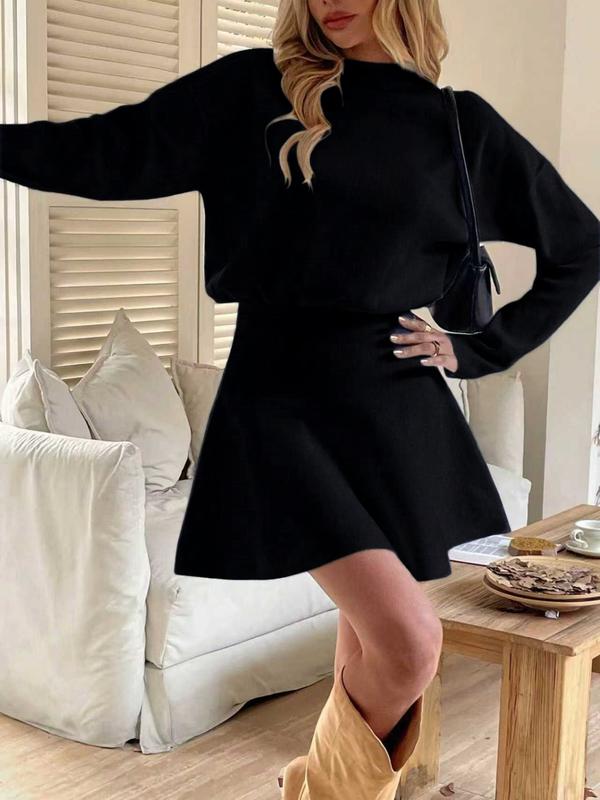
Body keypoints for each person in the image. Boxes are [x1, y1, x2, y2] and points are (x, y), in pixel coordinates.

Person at [1, 0, 599, 797]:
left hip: (394, 404)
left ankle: (312, 787)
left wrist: (478, 349)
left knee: (371, 643)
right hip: (278, 398)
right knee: (410, 645)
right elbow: (106, 150)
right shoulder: (258, 88)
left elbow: (580, 245)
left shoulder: (460, 127)